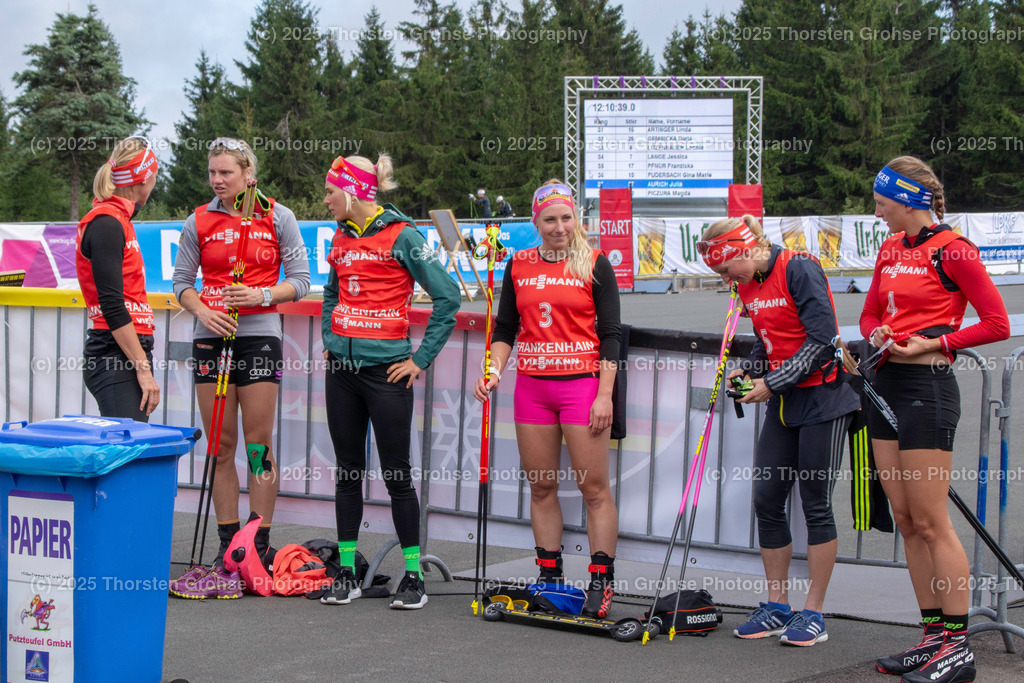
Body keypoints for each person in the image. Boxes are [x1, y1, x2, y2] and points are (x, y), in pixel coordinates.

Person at [860, 157, 1009, 683]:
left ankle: (957, 644)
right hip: (886, 383)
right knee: (904, 520)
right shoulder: (890, 248)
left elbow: (997, 323)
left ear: (909, 200)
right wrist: (877, 333)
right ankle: (932, 637)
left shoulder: (954, 250)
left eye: (882, 204)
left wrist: (936, 341)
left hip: (928, 386)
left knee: (930, 521)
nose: (877, 213)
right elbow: (870, 311)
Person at [699, 215, 860, 647]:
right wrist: (750, 372)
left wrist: (771, 383)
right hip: (786, 402)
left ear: (743, 250)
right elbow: (765, 341)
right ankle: (777, 605)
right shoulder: (747, 283)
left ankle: (814, 613)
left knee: (815, 504)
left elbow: (823, 339)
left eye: (725, 270)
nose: (725, 280)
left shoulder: (799, 267)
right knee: (767, 500)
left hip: (823, 398)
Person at [169, 137, 310, 599]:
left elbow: (302, 281)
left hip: (259, 337)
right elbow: (181, 283)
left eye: (225, 172)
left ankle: (259, 544)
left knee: (257, 444)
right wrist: (200, 312)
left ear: (249, 174)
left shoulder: (278, 216)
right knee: (220, 444)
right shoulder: (199, 218)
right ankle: (229, 546)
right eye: (212, 172)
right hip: (211, 336)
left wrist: (262, 296)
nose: (216, 180)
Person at [473, 180, 621, 618]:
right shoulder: (518, 264)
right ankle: (550, 576)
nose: (559, 227)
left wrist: (605, 395)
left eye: (566, 217)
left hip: (582, 387)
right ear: (536, 222)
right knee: (541, 485)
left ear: (576, 218)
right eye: (550, 219)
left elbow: (611, 336)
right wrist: (494, 370)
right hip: (534, 389)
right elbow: (504, 330)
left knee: (593, 489)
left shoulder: (594, 263)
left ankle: (600, 581)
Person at [321, 152, 460, 610]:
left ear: (355, 191)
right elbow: (330, 291)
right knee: (347, 473)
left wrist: (420, 359)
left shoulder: (405, 236)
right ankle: (346, 573)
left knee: (397, 476)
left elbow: (448, 298)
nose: (325, 201)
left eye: (330, 192)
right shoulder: (340, 236)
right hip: (341, 373)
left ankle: (414, 575)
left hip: (387, 373)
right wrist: (330, 336)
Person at [75, 136, 160, 421]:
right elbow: (112, 304)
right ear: (144, 179)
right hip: (114, 352)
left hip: (126, 350)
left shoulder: (118, 219)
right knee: (126, 451)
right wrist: (143, 368)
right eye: (154, 177)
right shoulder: (107, 223)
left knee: (130, 447)